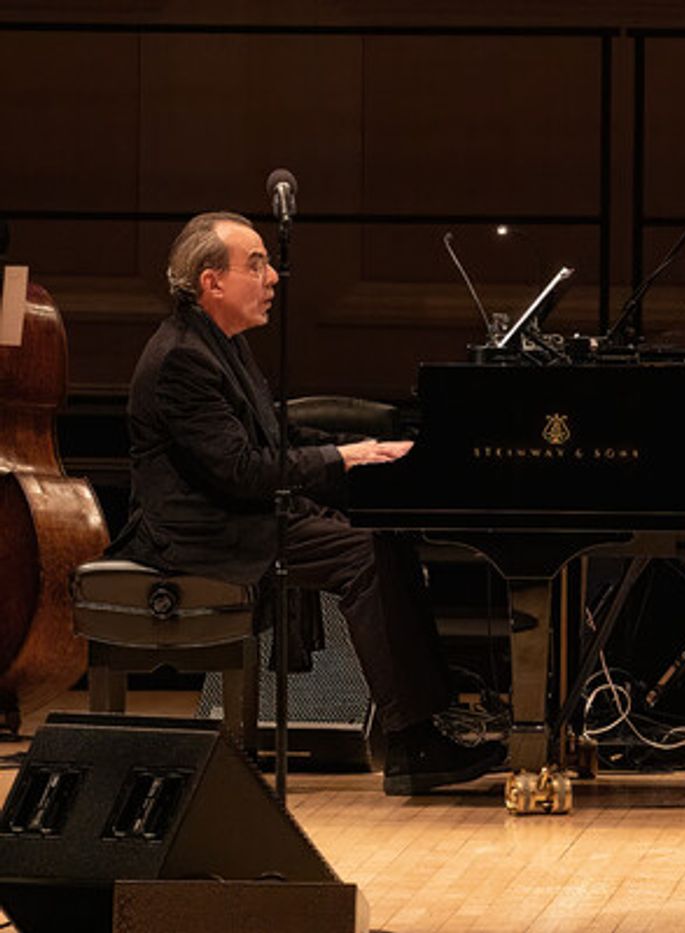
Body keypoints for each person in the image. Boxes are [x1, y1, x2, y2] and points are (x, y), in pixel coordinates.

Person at [107, 211, 504, 795]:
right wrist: (343, 458)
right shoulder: (182, 359)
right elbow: (242, 471)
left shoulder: (222, 345)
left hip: (234, 517)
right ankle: (412, 743)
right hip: (198, 535)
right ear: (211, 282)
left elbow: (277, 436)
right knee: (363, 555)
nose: (272, 278)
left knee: (384, 535)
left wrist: (364, 451)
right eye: (256, 266)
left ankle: (426, 727)